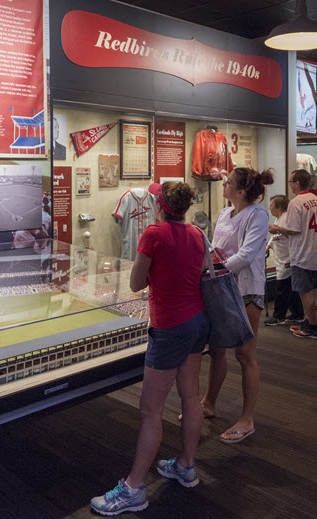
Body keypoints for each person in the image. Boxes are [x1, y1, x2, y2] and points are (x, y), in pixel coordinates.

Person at [91, 182, 209, 515]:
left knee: (150, 410)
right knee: (190, 396)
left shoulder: (153, 234)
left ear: (159, 204)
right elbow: (198, 273)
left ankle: (132, 489)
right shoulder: (197, 234)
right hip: (198, 321)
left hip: (169, 326)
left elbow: (135, 283)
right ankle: (186, 465)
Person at [201, 167, 273, 443]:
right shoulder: (223, 213)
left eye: (228, 182)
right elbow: (217, 248)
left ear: (241, 191)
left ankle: (247, 418)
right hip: (222, 288)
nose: (223, 184)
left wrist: (214, 271)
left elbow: (246, 254)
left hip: (246, 290)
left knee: (245, 354)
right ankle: (208, 402)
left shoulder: (257, 215)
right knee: (217, 350)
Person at [269, 169, 317, 339]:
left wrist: (277, 228)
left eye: (290, 182)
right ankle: (308, 321)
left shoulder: (296, 202)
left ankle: (313, 326)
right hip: (316, 251)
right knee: (307, 290)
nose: (289, 185)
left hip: (302, 252)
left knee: (305, 291)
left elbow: (293, 230)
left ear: (297, 183)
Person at [264, 194, 304, 326]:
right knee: (290, 289)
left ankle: (278, 316)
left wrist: (277, 230)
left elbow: (292, 235)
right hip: (281, 258)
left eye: (271, 205)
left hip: (288, 258)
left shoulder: (287, 219)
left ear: (279, 207)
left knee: (282, 289)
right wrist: (268, 245)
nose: (269, 208)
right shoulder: (278, 219)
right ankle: (298, 314)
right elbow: (275, 234)